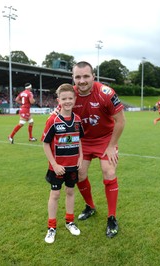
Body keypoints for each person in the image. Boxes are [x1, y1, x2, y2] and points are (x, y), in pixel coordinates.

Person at [67, 61, 125, 238]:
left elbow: (120, 121)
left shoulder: (105, 93)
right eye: (78, 77)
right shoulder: (70, 94)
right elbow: (62, 120)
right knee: (80, 174)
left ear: (93, 76)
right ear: (73, 78)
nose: (82, 80)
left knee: (108, 171)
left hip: (105, 139)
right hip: (83, 141)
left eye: (86, 76)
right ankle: (90, 207)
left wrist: (112, 145)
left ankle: (112, 217)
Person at [41, 83, 84, 244]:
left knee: (71, 192)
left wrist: (80, 157)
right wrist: (54, 164)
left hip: (73, 165)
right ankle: (51, 227)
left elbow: (79, 139)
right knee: (55, 194)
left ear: (74, 99)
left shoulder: (78, 120)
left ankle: (69, 221)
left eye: (70, 98)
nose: (67, 101)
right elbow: (45, 144)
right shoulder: (52, 120)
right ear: (58, 100)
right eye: (64, 98)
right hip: (57, 167)